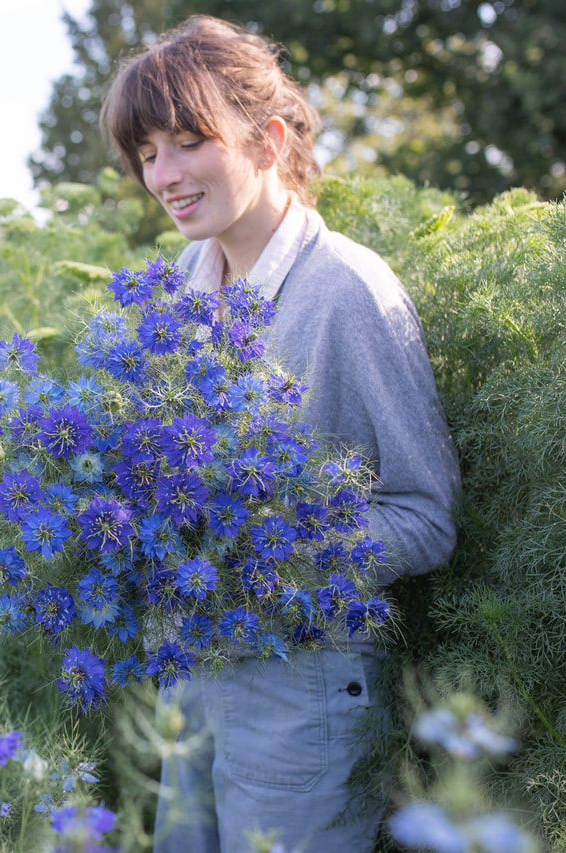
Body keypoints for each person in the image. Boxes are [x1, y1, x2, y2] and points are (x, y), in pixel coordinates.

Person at [99, 15, 461, 852]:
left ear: (266, 141)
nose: (165, 174)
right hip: (196, 667)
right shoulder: (186, 287)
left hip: (304, 685)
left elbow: (427, 515)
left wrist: (278, 551)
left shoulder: (348, 291)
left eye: (188, 141)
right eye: (147, 153)